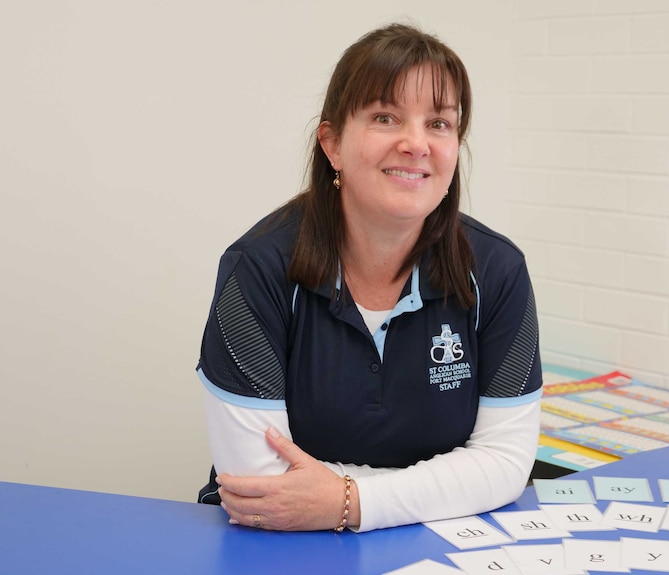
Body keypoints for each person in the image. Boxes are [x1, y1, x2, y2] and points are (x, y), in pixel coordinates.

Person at [195, 22, 542, 533]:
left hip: (428, 544)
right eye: (385, 117)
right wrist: (442, 485)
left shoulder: (498, 270)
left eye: (439, 124)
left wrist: (348, 501)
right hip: (275, 547)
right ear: (332, 144)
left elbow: (505, 464)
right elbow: (259, 485)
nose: (416, 144)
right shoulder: (259, 269)